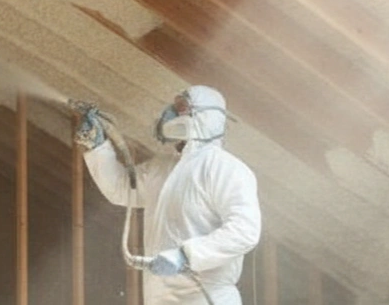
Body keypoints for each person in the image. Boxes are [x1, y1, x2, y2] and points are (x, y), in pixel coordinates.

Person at [79, 85, 261, 304]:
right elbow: (122, 188)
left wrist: (186, 255)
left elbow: (244, 231)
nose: (169, 115)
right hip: (159, 297)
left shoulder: (225, 169)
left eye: (180, 108)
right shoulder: (162, 167)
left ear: (203, 116)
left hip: (205, 297)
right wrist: (98, 147)